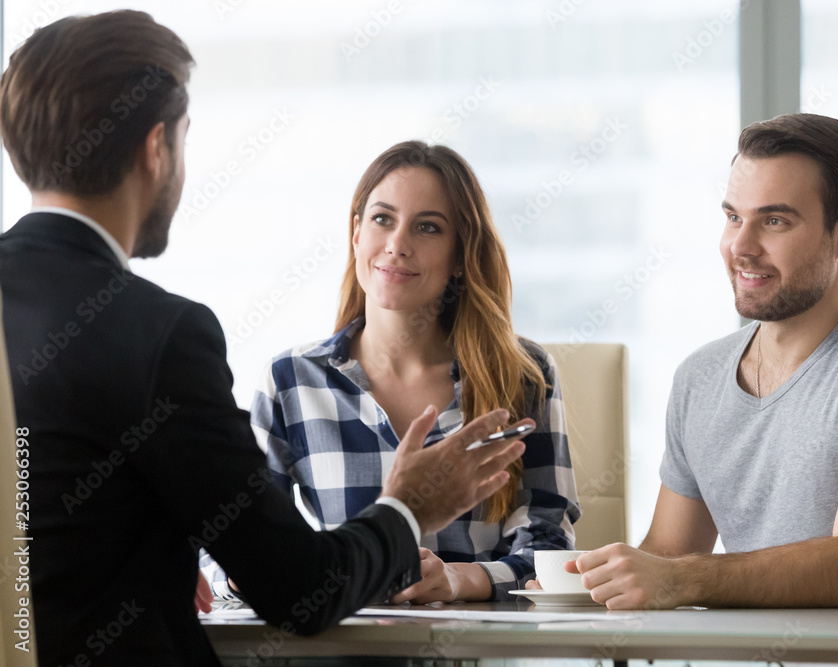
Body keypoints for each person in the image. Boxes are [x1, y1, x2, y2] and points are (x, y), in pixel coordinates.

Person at [0, 11, 528, 665]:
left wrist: (160, 545)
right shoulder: (163, 336)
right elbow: (301, 588)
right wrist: (409, 505)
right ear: (156, 147)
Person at [543, 113, 838, 610]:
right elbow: (669, 554)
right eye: (733, 217)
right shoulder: (700, 378)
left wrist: (680, 579)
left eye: (775, 221)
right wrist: (577, 583)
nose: (740, 246)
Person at [204, 141, 580, 604]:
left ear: (461, 256)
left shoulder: (524, 375)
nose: (398, 245)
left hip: (476, 648)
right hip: (341, 649)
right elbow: (224, 552)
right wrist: (250, 568)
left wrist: (462, 580)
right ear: (357, 233)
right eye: (383, 219)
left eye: (427, 228)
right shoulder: (290, 380)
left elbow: (549, 542)